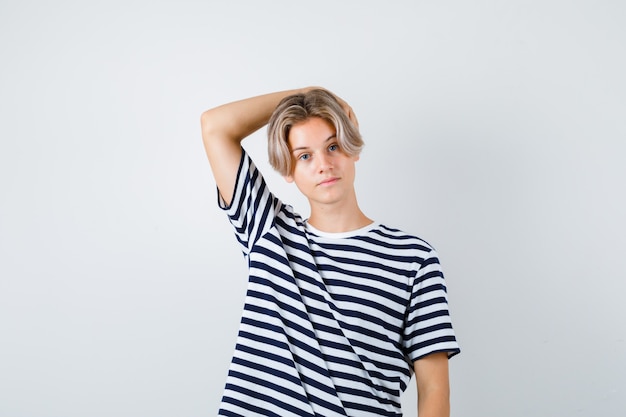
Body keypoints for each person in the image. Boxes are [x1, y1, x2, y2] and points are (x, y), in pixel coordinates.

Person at [201, 87, 460, 417]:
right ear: (288, 172)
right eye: (305, 155)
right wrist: (311, 93)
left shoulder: (414, 258)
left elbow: (435, 387)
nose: (323, 164)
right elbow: (215, 126)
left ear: (353, 151)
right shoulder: (268, 230)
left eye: (333, 146)